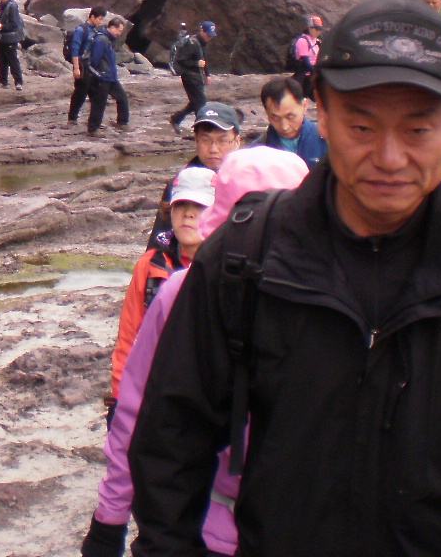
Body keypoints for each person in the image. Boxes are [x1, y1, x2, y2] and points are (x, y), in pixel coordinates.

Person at [127, 0, 441, 555]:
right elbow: (170, 441)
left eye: (418, 129)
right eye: (362, 125)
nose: (390, 157)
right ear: (322, 115)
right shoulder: (244, 258)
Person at [84, 147, 309, 557]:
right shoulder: (338, 300)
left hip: (205, 525)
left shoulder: (179, 292)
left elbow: (136, 413)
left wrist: (110, 518)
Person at [111, 166, 216, 400]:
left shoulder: (228, 266)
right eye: (181, 205)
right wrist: (120, 398)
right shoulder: (149, 265)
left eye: (200, 206)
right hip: (157, 391)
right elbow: (129, 338)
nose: (189, 214)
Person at [146, 102, 241, 240]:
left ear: (237, 141)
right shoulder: (180, 185)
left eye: (222, 140)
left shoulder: (248, 184)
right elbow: (161, 239)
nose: (213, 149)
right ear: (196, 141)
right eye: (205, 140)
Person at [258, 76, 327, 168]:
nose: (284, 127)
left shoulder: (327, 141)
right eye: (276, 118)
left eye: (290, 117)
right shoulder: (259, 149)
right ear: (266, 112)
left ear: (304, 105)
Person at [168, 21, 217, 133]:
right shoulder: (192, 43)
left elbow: (204, 61)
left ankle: (176, 119)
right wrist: (196, 63)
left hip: (198, 78)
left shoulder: (204, 44)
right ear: (202, 31)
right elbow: (182, 60)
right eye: (208, 34)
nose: (210, 37)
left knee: (195, 102)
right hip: (189, 77)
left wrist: (207, 74)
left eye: (211, 35)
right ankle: (202, 130)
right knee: (201, 103)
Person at [86, 16, 130, 136]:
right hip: (102, 77)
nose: (120, 34)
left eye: (121, 32)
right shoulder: (101, 40)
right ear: (112, 27)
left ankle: (122, 122)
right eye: (119, 30)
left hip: (111, 77)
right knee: (99, 103)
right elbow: (95, 59)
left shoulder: (108, 40)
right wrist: (99, 74)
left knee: (122, 98)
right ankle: (93, 129)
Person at [66, 7, 106, 125]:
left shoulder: (94, 30)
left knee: (94, 93)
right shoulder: (81, 30)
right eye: (100, 19)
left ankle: (94, 120)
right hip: (82, 65)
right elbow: (75, 49)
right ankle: (72, 118)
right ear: (92, 16)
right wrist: (76, 68)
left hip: (90, 65)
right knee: (80, 93)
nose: (101, 22)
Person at [0, 0, 25, 88]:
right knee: (2, 60)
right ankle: (3, 82)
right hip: (2, 37)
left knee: (12, 60)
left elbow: (14, 24)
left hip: (10, 38)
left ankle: (18, 82)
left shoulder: (11, 6)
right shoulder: (3, 5)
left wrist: (2, 26)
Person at [286, 15, 323, 100]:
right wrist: (315, 71)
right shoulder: (303, 41)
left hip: (312, 74)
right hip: (303, 74)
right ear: (310, 28)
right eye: (316, 29)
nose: (318, 32)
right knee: (300, 97)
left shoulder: (317, 42)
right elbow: (305, 61)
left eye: (320, 29)